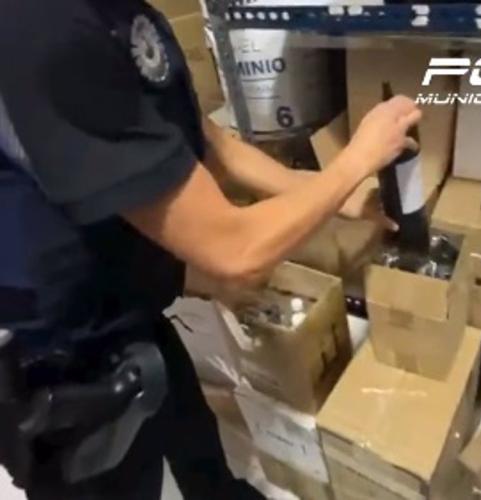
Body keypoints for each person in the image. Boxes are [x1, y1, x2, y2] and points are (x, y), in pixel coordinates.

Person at [0, 0, 421, 498]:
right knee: (114, 479)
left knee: (198, 453)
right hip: (61, 352)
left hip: (129, 305)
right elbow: (233, 250)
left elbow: (205, 142)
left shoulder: (119, 12)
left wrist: (325, 191)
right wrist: (355, 161)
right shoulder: (43, 27)